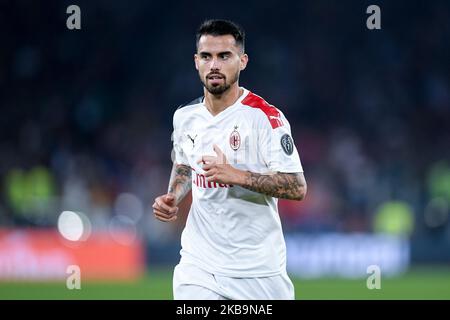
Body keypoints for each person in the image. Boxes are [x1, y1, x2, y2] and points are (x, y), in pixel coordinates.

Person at [152, 19, 307, 300]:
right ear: (196, 61)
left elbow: (297, 187)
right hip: (199, 266)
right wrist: (173, 195)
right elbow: (185, 164)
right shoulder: (184, 117)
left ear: (242, 61)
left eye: (224, 56)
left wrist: (236, 175)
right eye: (206, 56)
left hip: (258, 271)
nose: (214, 65)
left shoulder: (266, 118)